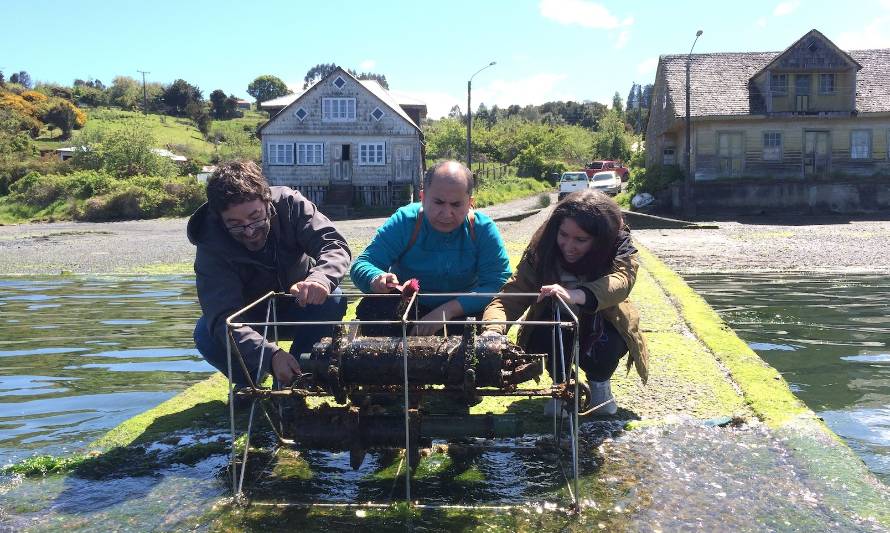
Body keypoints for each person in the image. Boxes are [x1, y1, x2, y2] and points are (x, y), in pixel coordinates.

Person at [481, 189, 648, 416]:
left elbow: (623, 279)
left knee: (611, 342)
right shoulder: (543, 247)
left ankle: (600, 384)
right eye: (564, 235)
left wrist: (578, 294)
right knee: (542, 335)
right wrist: (493, 331)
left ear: (600, 239)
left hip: (602, 318)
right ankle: (560, 385)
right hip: (554, 319)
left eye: (581, 240)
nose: (569, 246)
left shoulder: (619, 242)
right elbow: (512, 295)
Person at [188, 160, 351, 390]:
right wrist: (269, 356)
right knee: (206, 333)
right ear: (219, 218)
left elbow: (333, 245)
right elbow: (223, 317)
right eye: (235, 224)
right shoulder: (210, 242)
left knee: (333, 298)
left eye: (255, 217)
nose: (250, 231)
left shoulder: (290, 204)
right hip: (249, 316)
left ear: (267, 200)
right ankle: (250, 380)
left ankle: (299, 376)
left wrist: (320, 278)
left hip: (299, 304)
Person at [350, 160, 511, 336]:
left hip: (465, 310)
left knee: (490, 325)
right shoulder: (405, 221)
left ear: (470, 203)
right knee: (371, 308)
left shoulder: (482, 229)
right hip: (408, 306)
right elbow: (362, 264)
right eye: (439, 202)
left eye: (456, 205)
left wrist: (446, 311)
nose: (446, 213)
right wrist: (376, 278)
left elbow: (498, 284)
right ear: (423, 197)